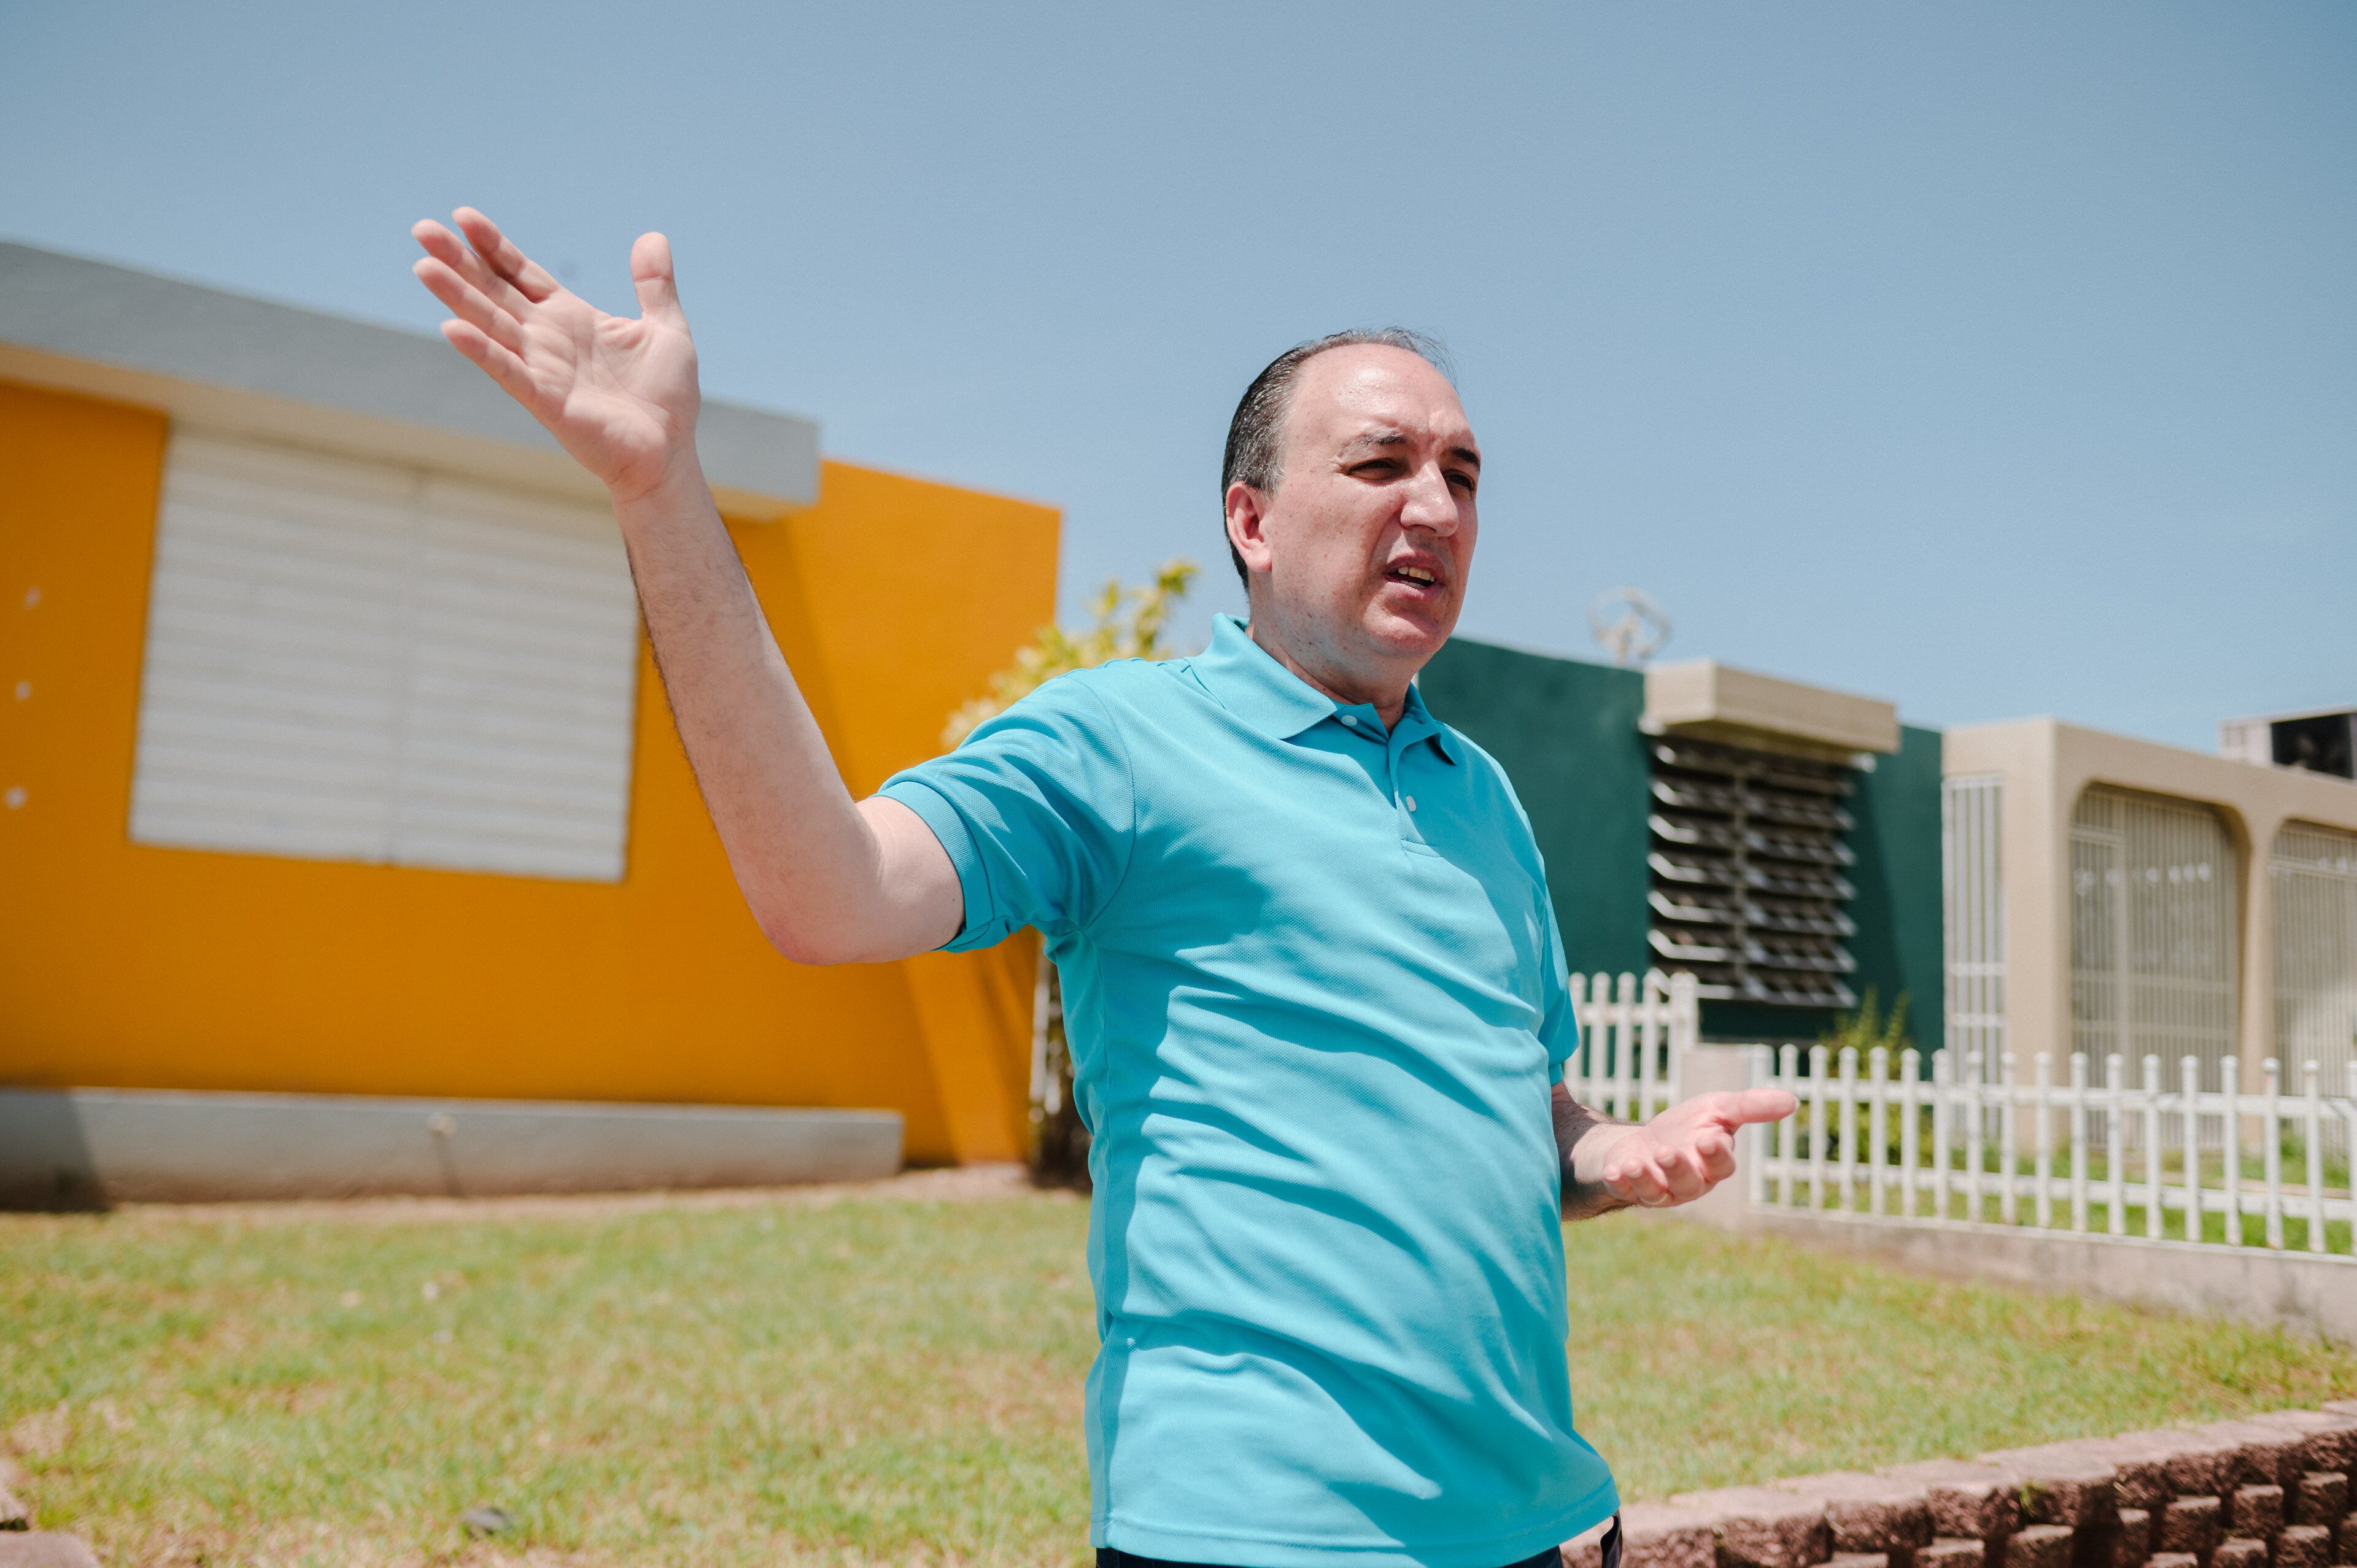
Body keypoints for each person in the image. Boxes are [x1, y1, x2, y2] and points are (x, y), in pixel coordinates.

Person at [408, 209, 1798, 1568]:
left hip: (1528, 1527)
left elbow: (1523, 1096)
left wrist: (1603, 1152)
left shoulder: (1482, 795)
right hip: (1249, 1541)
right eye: (1382, 462)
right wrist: (661, 492)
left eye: (1465, 473)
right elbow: (830, 892)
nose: (1435, 504)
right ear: (1250, 519)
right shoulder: (1121, 743)